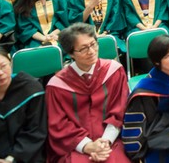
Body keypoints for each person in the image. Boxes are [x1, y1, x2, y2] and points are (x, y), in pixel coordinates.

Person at [46, 23, 130, 163]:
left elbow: (120, 111)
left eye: (93, 44)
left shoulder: (114, 72)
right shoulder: (57, 86)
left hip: (112, 140)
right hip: (74, 146)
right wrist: (87, 146)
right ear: (71, 53)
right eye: (84, 48)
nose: (91, 51)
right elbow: (59, 125)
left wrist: (105, 142)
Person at [0, 46, 47, 162]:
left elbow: (36, 130)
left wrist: (12, 159)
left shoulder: (30, 89)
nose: (0, 73)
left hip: (28, 157)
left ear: (11, 64)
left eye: (4, 66)